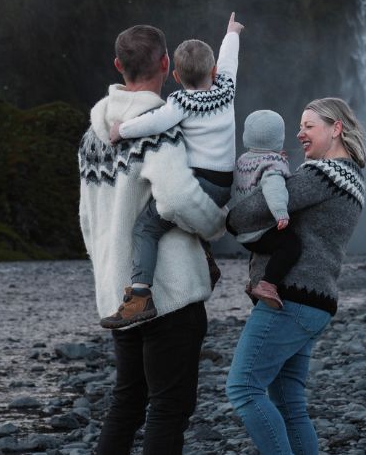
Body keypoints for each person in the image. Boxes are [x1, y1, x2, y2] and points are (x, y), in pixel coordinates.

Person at [78, 24, 228, 454]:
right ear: (166, 65)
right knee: (169, 407)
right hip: (170, 293)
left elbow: (89, 220)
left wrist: (111, 273)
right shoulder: (160, 127)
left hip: (119, 294)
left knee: (126, 401)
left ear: (117, 66)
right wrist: (216, 222)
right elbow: (179, 199)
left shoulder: (92, 137)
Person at [225, 97, 366, 455]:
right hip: (316, 303)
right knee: (289, 403)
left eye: (309, 126)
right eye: (299, 126)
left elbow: (251, 212)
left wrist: (230, 213)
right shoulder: (352, 178)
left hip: (290, 299)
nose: (300, 134)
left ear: (336, 128)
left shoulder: (321, 175)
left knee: (243, 388)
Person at [101, 12, 243, 328]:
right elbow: (230, 60)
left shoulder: (180, 103)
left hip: (198, 183)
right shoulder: (227, 90)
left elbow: (154, 122)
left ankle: (139, 296)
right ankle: (206, 263)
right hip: (223, 186)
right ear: (214, 71)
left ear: (175, 75)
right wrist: (231, 33)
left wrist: (120, 130)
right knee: (185, 220)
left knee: (146, 228)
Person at [227, 109, 299, 310]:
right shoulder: (272, 164)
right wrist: (280, 212)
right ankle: (268, 284)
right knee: (291, 245)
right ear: (280, 138)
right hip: (261, 227)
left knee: (263, 251)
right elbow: (273, 186)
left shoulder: (243, 160)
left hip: (244, 231)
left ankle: (253, 281)